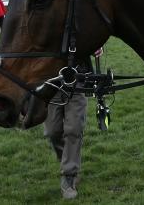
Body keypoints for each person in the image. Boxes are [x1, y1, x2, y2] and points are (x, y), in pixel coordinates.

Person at [44, 51, 99, 200]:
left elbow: (94, 31)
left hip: (77, 80)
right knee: (52, 132)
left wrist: (97, 45)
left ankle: (69, 175)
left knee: (74, 129)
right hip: (51, 82)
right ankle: (67, 159)